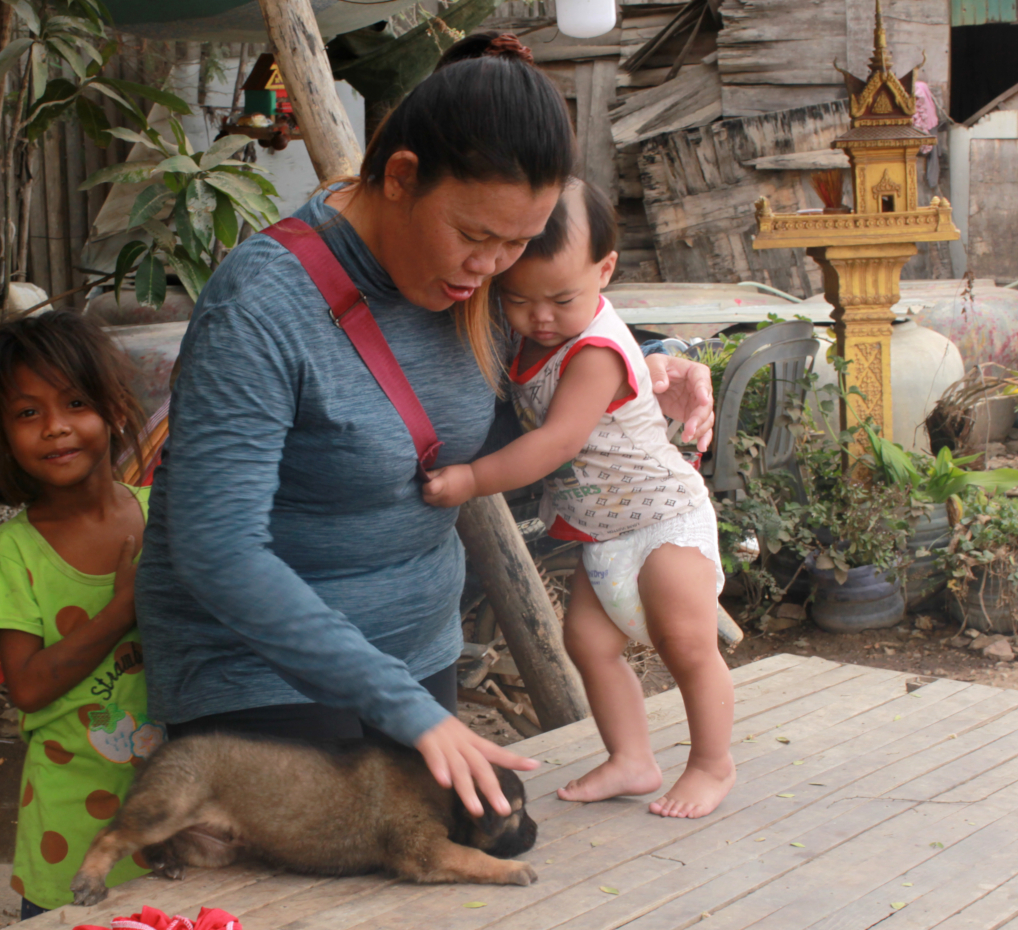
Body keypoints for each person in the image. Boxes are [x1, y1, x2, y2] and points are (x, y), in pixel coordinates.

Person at [137, 33, 716, 820]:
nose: (493, 269)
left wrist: (658, 362)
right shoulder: (264, 306)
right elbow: (216, 550)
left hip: (417, 651)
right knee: (378, 862)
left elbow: (569, 325)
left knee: (493, 835)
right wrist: (405, 708)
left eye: (516, 244)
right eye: (478, 238)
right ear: (403, 177)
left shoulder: (487, 280)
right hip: (262, 670)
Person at [422, 180, 735, 819]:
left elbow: (558, 443)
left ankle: (711, 763)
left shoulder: (594, 350)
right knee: (589, 643)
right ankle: (631, 758)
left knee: (688, 642)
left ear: (605, 271)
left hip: (663, 517)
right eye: (518, 299)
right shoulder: (540, 334)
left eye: (562, 299)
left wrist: (472, 480)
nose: (540, 317)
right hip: (603, 532)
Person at [0, 312, 163, 918]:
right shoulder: (14, 553)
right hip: (70, 833)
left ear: (117, 408)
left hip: (175, 817)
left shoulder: (166, 516)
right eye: (28, 413)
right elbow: (26, 687)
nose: (55, 428)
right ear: (4, 435)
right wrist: (123, 608)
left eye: (75, 402)